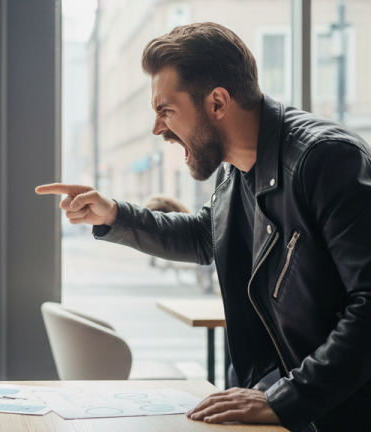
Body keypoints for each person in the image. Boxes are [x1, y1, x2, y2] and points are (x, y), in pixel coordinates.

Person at [37, 22, 371, 431]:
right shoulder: (233, 169)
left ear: (217, 103)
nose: (158, 128)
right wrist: (113, 215)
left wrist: (287, 398)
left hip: (336, 412)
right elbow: (205, 235)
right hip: (283, 398)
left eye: (165, 110)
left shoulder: (326, 159)